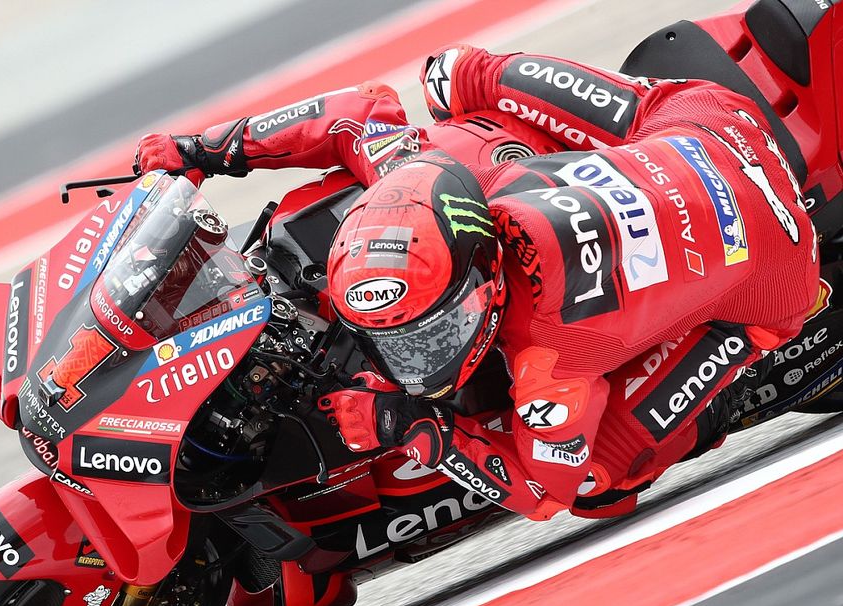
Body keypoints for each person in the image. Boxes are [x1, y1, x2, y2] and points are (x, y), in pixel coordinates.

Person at [134, 43, 819, 519]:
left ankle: (742, 382)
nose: (412, 363)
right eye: (397, 343)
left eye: (431, 334)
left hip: (777, 268)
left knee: (596, 481)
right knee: (455, 75)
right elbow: (354, 114)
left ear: (487, 285)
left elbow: (542, 492)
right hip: (703, 121)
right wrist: (205, 150)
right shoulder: (433, 180)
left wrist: (413, 423)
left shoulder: (550, 359)